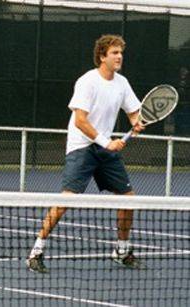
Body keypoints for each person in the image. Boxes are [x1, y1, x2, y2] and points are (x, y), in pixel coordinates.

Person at [26, 34, 145, 273]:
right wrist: (106, 141)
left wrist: (137, 121)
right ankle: (36, 252)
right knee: (67, 199)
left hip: (105, 150)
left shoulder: (122, 83)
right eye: (114, 53)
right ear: (102, 56)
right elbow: (80, 121)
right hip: (82, 146)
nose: (119, 56)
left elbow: (134, 111)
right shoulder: (87, 82)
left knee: (128, 198)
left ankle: (122, 250)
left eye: (121, 52)